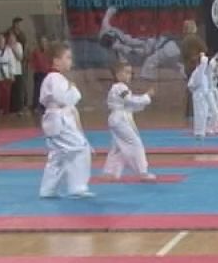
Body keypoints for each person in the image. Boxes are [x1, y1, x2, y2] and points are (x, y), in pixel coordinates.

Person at [36, 42, 92, 199]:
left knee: (59, 155)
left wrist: (70, 88)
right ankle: (77, 187)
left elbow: (70, 98)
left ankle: (48, 189)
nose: (70, 61)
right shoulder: (54, 78)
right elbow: (65, 98)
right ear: (56, 61)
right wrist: (71, 88)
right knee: (80, 148)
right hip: (59, 119)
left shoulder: (55, 78)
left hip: (57, 119)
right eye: (67, 57)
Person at [103, 63, 155, 180]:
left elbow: (129, 105)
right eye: (126, 72)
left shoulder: (118, 88)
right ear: (117, 74)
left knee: (118, 146)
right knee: (135, 143)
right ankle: (142, 172)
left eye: (130, 73)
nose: (129, 75)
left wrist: (144, 100)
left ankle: (110, 172)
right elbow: (130, 100)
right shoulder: (120, 87)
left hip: (117, 117)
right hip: (120, 119)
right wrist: (146, 96)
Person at [187, 42, 218, 138]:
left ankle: (205, 130)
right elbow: (191, 86)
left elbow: (191, 85)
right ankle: (199, 132)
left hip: (204, 94)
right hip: (199, 95)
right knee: (200, 114)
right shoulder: (199, 71)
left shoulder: (202, 73)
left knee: (205, 113)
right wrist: (202, 56)